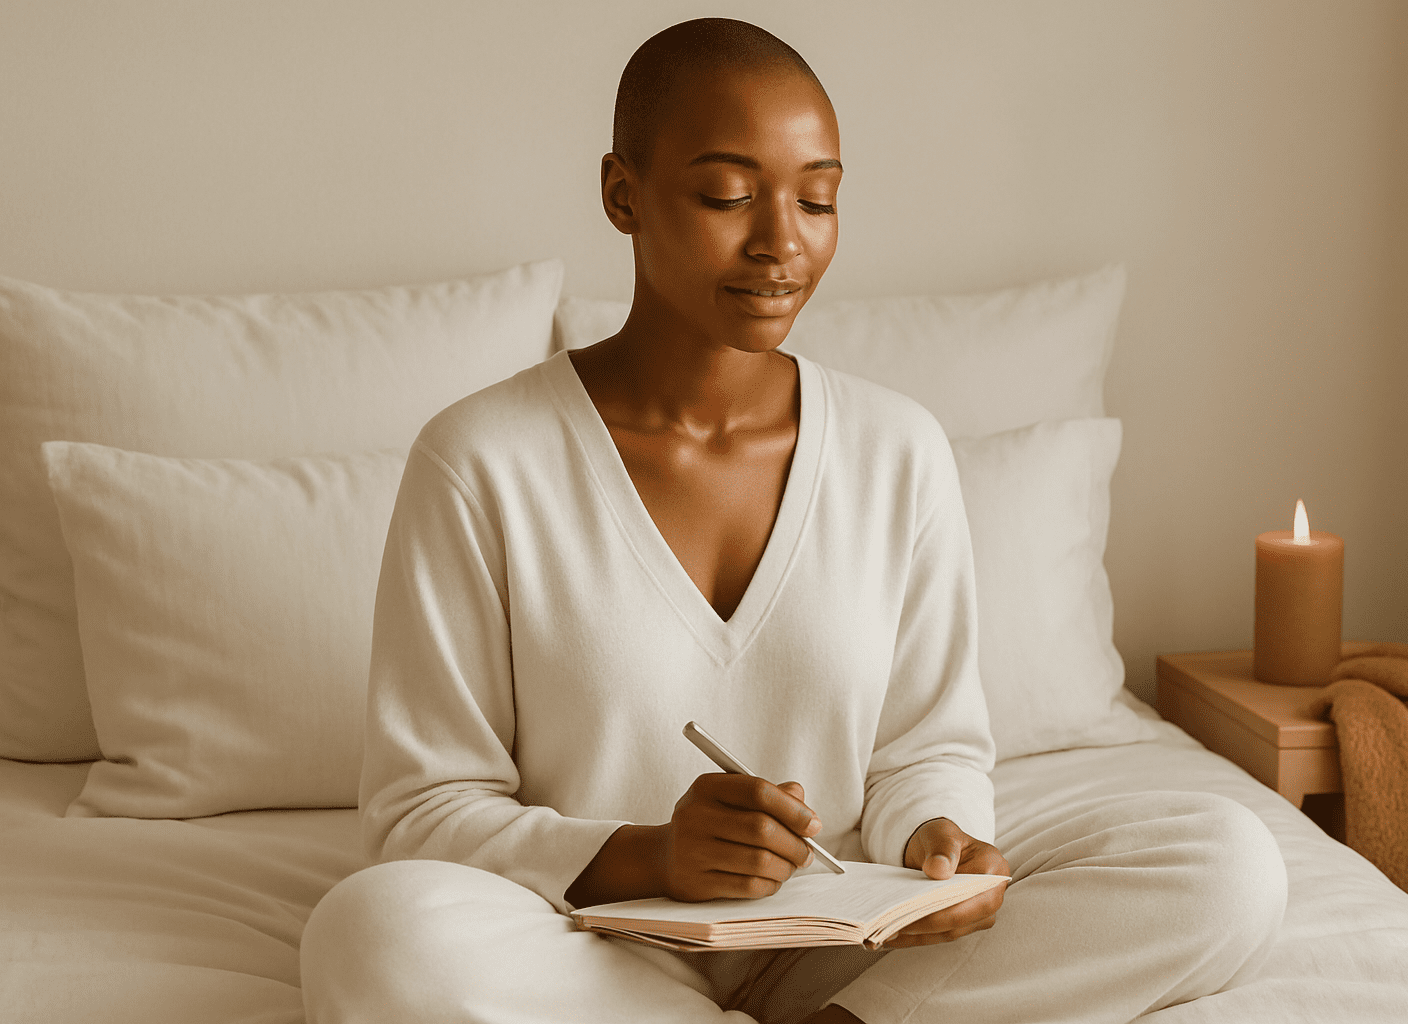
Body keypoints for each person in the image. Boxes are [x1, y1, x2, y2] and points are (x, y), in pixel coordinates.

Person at [299, 18, 1287, 1024]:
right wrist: (654, 854)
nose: (783, 242)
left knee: (1227, 862)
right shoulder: (480, 462)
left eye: (818, 198)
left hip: (849, 949)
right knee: (370, 935)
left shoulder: (898, 450)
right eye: (729, 196)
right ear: (622, 194)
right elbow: (422, 812)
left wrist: (938, 839)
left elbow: (926, 750)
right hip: (587, 949)